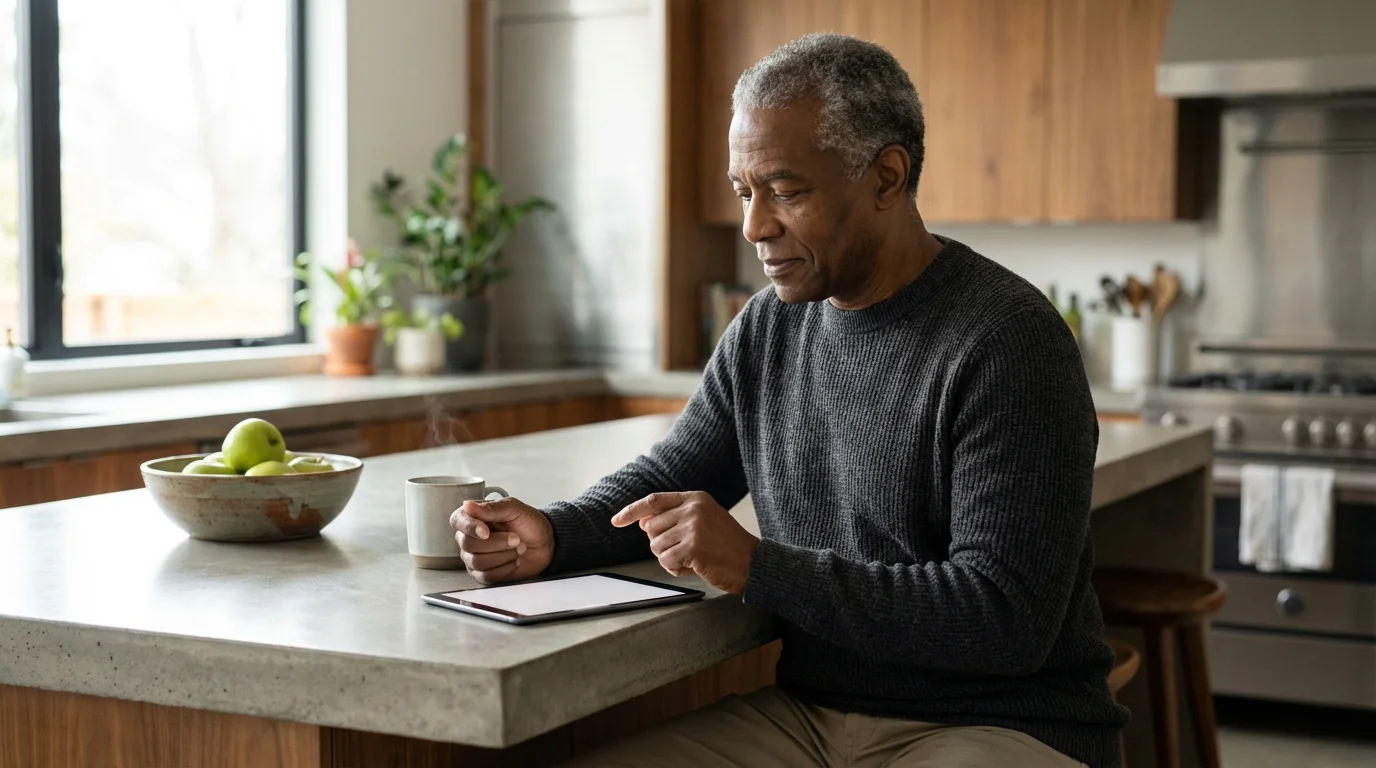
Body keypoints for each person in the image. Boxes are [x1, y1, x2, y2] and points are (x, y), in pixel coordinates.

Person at [450, 32, 1129, 768]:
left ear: (887, 179)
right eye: (745, 192)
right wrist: (556, 533)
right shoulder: (771, 324)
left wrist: (760, 567)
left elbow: (1004, 618)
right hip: (809, 720)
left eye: (787, 191)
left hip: (1001, 724)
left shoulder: (1007, 341)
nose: (754, 226)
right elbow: (677, 473)